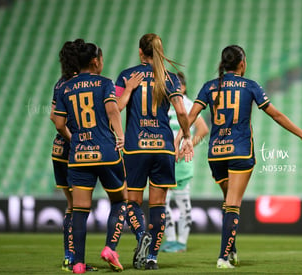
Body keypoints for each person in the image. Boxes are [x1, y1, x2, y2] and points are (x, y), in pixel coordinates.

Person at [186, 45, 302, 269]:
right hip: (239, 151)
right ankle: (222, 257)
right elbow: (275, 115)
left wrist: (182, 137)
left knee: (228, 202)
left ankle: (232, 250)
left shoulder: (209, 86)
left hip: (216, 154)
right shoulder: (250, 86)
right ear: (242, 64)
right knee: (233, 205)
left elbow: (191, 115)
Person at [115, 33, 194, 270]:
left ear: (140, 52)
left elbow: (116, 108)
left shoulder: (127, 75)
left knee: (133, 202)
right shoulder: (169, 78)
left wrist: (128, 91)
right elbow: (181, 112)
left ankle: (141, 236)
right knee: (159, 205)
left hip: (136, 147)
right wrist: (187, 136)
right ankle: (152, 258)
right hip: (163, 147)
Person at [54, 39, 128, 274]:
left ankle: (77, 263)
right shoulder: (104, 83)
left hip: (79, 156)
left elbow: (58, 123)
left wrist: (73, 139)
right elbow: (112, 110)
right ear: (95, 61)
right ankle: (110, 248)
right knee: (120, 200)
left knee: (79, 210)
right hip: (106, 152)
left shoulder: (65, 87)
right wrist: (120, 136)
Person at [49, 40, 97, 272]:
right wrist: (75, 139)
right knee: (77, 208)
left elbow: (53, 116)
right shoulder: (82, 83)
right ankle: (74, 259)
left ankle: (69, 257)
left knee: (71, 207)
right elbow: (58, 122)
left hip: (58, 149)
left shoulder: (61, 83)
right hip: (75, 149)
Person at [160, 72, 209, 253]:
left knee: (182, 203)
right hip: (165, 160)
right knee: (163, 203)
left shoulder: (187, 105)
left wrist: (186, 148)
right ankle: (171, 239)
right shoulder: (164, 104)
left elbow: (203, 129)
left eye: (178, 85)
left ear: (184, 87)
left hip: (180, 162)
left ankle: (181, 242)